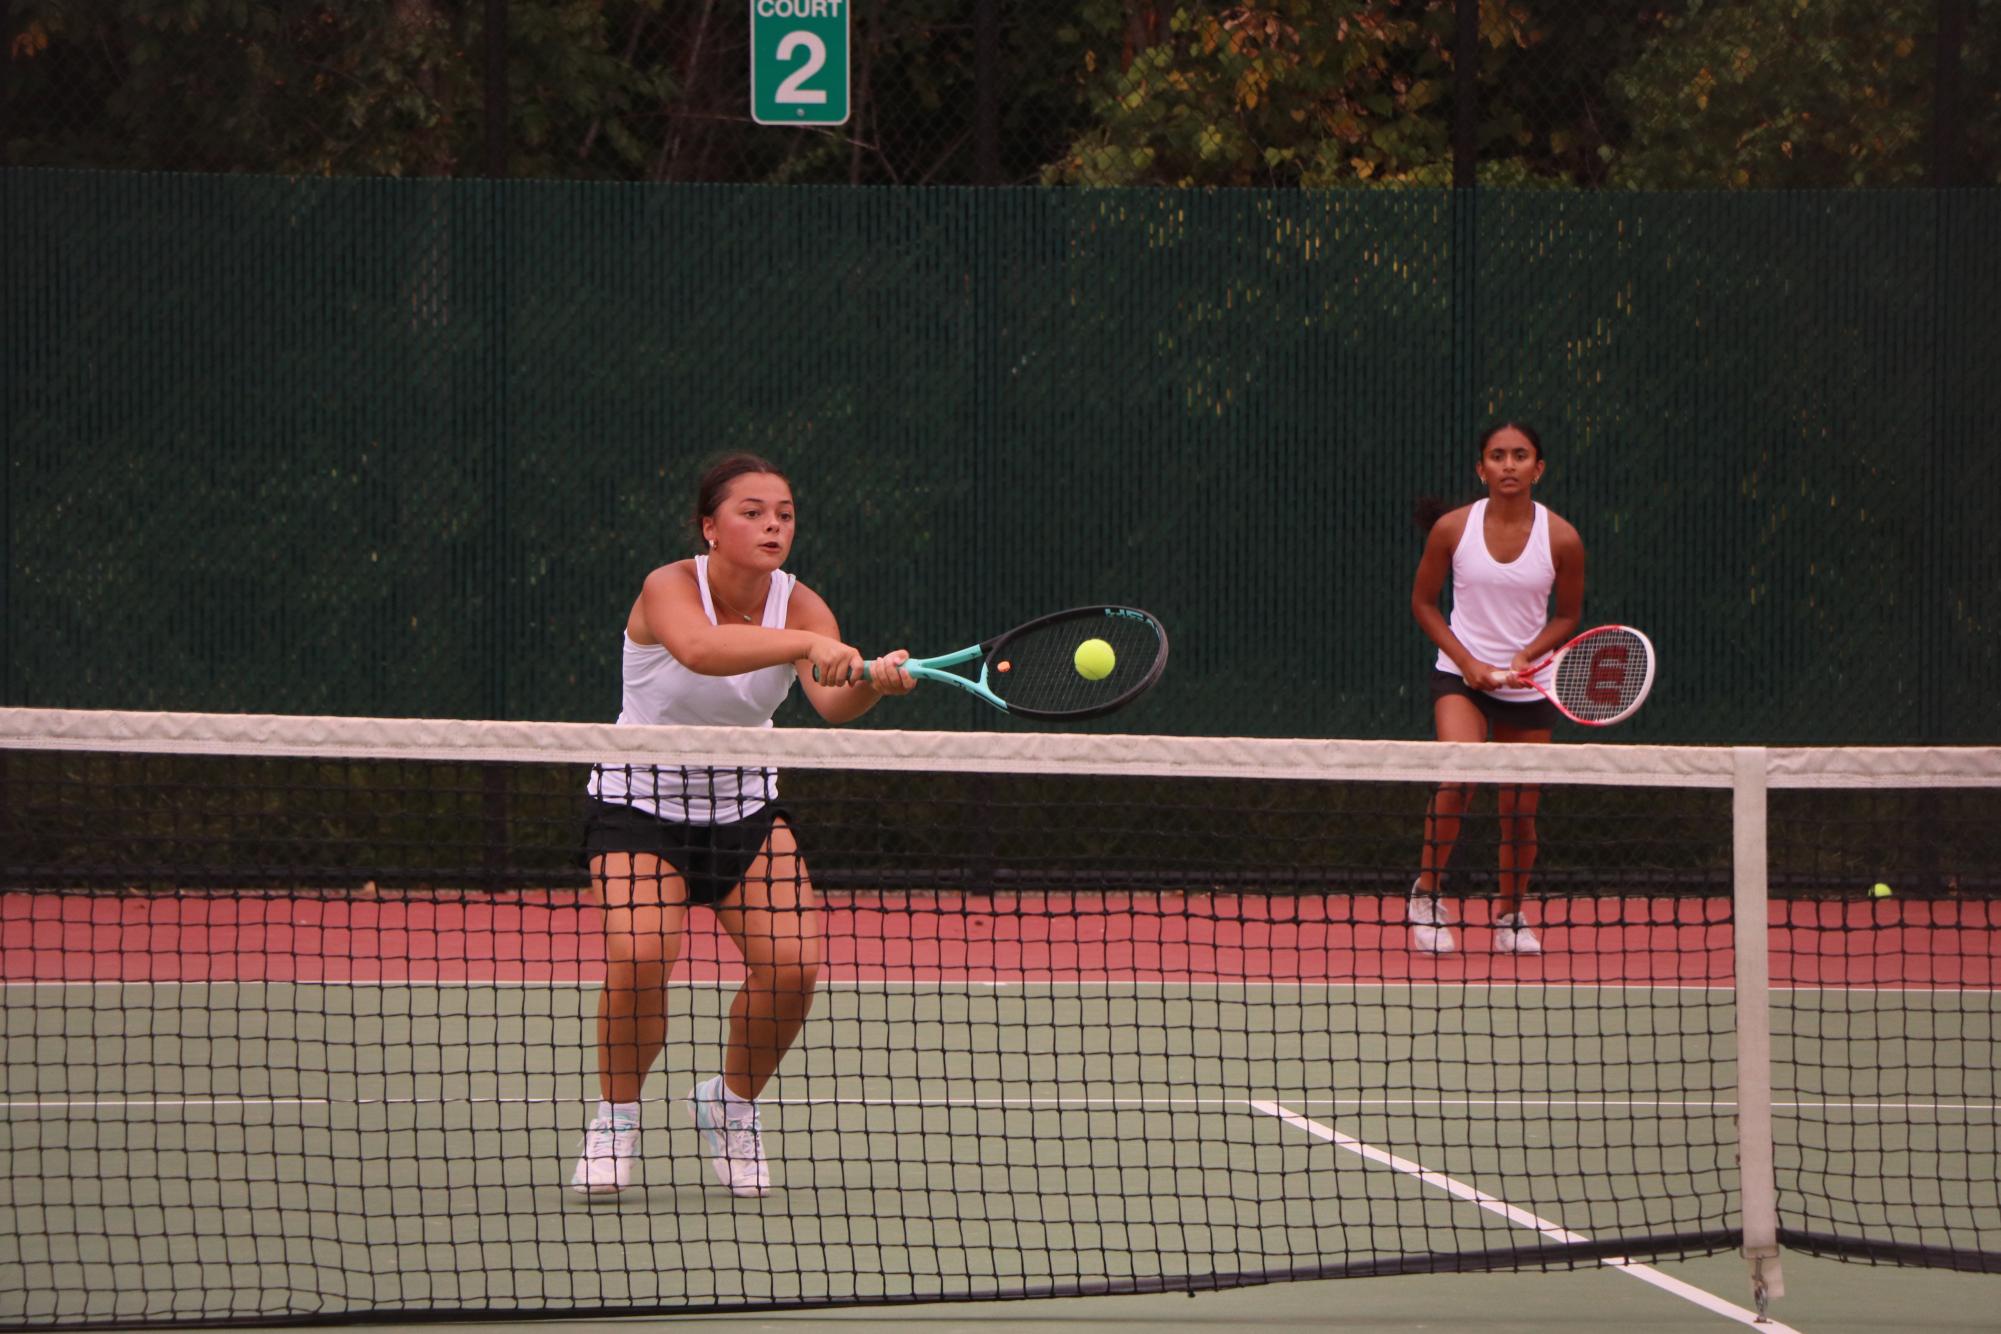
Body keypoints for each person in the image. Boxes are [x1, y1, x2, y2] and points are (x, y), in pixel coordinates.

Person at [570, 453, 915, 1197]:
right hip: (638, 807)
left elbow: (832, 706)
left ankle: (729, 1105)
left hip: (744, 810)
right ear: (709, 527)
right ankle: (616, 1118)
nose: (771, 525)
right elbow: (699, 649)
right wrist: (806, 647)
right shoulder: (668, 587)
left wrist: (871, 686)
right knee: (638, 957)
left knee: (793, 969)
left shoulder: (803, 606)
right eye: (752, 511)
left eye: (783, 514)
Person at [1407, 423, 1584, 956]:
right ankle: (1427, 895)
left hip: (1529, 682)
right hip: (1460, 674)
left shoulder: (1563, 539)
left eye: (1521, 455)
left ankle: (1509, 915)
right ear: (1481, 469)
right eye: (1498, 456)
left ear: (1539, 468)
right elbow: (1424, 603)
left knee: (1520, 808)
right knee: (1458, 779)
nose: (1509, 465)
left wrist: (1527, 656)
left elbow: (1569, 615)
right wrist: (1468, 662)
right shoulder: (1451, 529)